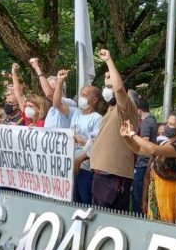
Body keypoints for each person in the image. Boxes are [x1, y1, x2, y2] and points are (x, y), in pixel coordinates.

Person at [121, 110, 176, 223]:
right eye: (167, 123)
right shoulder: (165, 143)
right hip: (156, 190)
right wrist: (126, 136)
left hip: (170, 192)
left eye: (171, 124)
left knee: (167, 228)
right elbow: (139, 149)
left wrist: (133, 134)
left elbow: (153, 149)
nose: (167, 126)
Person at [88, 49, 138, 211]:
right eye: (105, 84)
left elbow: (118, 88)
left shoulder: (126, 109)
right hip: (101, 175)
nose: (106, 87)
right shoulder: (110, 110)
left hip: (114, 177)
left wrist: (109, 61)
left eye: (109, 83)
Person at [55, 74, 103, 205]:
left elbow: (97, 145)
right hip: (70, 166)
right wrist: (59, 82)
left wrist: (82, 141)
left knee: (84, 202)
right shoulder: (75, 112)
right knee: (73, 202)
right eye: (81, 94)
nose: (81, 98)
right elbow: (57, 103)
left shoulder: (97, 118)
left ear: (94, 100)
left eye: (85, 95)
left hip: (85, 169)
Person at [132, 93, 158, 215]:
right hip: (145, 164)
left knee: (138, 198)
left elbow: (144, 143)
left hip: (143, 164)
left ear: (139, 110)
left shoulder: (146, 123)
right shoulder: (152, 120)